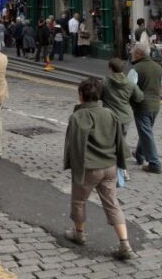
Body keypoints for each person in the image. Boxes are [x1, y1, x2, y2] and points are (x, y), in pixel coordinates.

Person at [63, 78, 135, 260]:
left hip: (90, 167)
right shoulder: (110, 114)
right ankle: (125, 244)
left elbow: (74, 146)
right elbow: (119, 141)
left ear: (81, 95)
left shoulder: (78, 116)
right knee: (112, 203)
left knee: (79, 201)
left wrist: (73, 166)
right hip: (109, 167)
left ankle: (79, 234)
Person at [101, 58, 144, 181]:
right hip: (125, 117)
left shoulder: (105, 82)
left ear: (110, 68)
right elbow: (140, 97)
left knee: (111, 143)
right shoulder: (130, 84)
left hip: (109, 117)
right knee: (121, 142)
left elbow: (97, 95)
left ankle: (115, 169)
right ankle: (122, 170)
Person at [128, 43, 162, 174]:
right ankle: (139, 155)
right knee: (146, 131)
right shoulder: (158, 67)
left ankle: (154, 163)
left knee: (146, 132)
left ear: (138, 54)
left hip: (142, 106)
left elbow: (129, 88)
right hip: (156, 105)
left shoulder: (136, 69)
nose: (131, 53)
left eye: (133, 52)